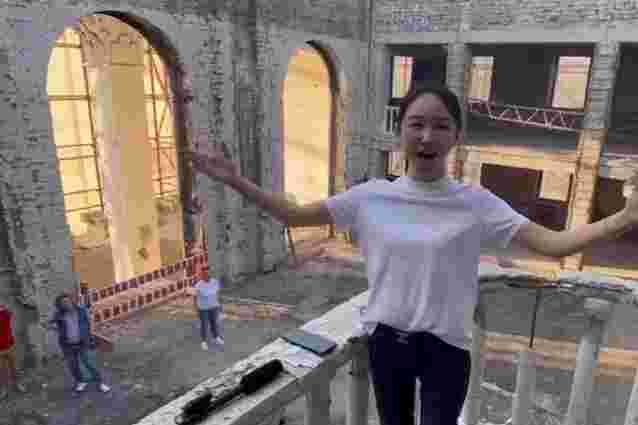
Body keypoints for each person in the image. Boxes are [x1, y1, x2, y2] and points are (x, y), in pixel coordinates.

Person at [187, 81, 638, 425]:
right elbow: (294, 215)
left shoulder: (475, 203)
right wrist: (234, 180)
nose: (427, 136)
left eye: (440, 126)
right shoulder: (371, 197)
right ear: (400, 130)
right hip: (387, 343)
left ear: (456, 136)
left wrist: (623, 218)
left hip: (446, 349)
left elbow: (553, 244)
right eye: (416, 124)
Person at [49, 293, 111, 393]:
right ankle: (81, 381)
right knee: (73, 365)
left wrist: (90, 335)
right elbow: (50, 323)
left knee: (89, 363)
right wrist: (55, 329)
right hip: (67, 345)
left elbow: (89, 322)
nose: (66, 304)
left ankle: (100, 382)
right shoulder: (59, 314)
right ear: (59, 305)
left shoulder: (81, 310)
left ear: (71, 301)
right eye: (62, 303)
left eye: (67, 301)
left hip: (82, 342)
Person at [192, 267, 224, 351]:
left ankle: (216, 337)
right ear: (202, 275)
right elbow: (194, 298)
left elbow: (217, 294)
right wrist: (196, 308)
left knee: (214, 323)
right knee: (204, 325)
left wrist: (220, 306)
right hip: (203, 309)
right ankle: (204, 342)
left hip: (214, 307)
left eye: (208, 273)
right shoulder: (198, 285)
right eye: (205, 273)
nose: (207, 275)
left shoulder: (215, 282)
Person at [0, 305, 25, 400]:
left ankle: (18, 384)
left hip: (10, 345)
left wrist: (4, 308)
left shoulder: (4, 312)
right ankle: (3, 389)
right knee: (2, 371)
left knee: (14, 368)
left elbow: (10, 313)